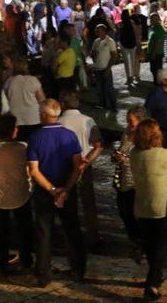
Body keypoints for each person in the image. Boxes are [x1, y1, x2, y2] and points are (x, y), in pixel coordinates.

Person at [26, 98, 86, 287]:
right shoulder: (69, 136)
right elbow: (77, 167)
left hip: (45, 190)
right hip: (66, 188)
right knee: (72, 228)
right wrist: (66, 189)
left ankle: (43, 273)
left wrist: (52, 190)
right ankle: (78, 268)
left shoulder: (35, 138)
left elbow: (34, 170)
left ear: (44, 115)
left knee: (44, 231)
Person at [130, 118, 167, 301]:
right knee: (160, 244)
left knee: (150, 243)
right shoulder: (164, 154)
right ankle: (151, 284)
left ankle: (156, 276)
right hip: (161, 203)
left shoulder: (134, 154)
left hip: (141, 204)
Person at [0, 113, 34, 276]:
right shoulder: (22, 148)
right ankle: (26, 261)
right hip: (21, 194)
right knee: (24, 229)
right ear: (14, 131)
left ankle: (1, 263)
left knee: (0, 232)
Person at [59, 90, 103, 246]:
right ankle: (93, 236)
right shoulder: (88, 121)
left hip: (64, 167)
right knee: (88, 202)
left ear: (62, 104)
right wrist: (86, 161)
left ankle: (71, 236)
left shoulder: (58, 122)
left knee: (68, 203)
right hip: (83, 166)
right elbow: (98, 145)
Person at [113, 105, 146, 262]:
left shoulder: (146, 136)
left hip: (137, 181)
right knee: (125, 211)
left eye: (131, 121)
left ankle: (142, 244)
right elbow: (121, 149)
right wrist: (117, 156)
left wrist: (124, 158)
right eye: (127, 120)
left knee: (137, 214)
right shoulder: (126, 132)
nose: (128, 123)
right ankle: (135, 240)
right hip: (124, 179)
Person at [3, 62, 45, 141]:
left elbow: (7, 98)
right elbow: (42, 99)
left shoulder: (9, 82)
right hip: (33, 118)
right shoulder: (33, 80)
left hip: (16, 119)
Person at [90, 24, 119, 112]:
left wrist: (108, 68)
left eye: (99, 31)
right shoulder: (95, 42)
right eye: (96, 31)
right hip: (97, 68)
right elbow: (93, 53)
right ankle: (102, 103)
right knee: (99, 88)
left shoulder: (110, 41)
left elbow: (114, 56)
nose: (97, 33)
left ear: (104, 31)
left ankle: (113, 105)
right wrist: (93, 55)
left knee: (109, 88)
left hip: (105, 68)